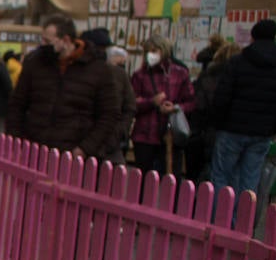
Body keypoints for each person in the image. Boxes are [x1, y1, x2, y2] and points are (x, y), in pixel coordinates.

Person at [6, 14, 118, 161]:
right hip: (35, 152)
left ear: (65, 40)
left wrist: (86, 149)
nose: (42, 44)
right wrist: (18, 140)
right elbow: (16, 105)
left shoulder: (98, 71)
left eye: (47, 41)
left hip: (73, 156)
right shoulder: (35, 64)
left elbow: (109, 115)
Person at [210, 19, 276, 196]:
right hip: (261, 132)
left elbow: (222, 97)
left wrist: (218, 123)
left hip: (231, 129)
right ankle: (243, 220)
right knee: (250, 180)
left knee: (221, 177)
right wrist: (272, 128)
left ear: (252, 37)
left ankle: (222, 219)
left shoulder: (238, 62)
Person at [130, 33, 195, 174]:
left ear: (163, 51)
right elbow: (131, 104)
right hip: (144, 135)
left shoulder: (180, 73)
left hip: (170, 134)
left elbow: (191, 102)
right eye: (147, 51)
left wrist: (176, 108)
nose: (150, 55)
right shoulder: (139, 75)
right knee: (142, 179)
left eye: (154, 51)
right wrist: (151, 102)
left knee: (172, 178)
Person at [192, 42, 242, 185]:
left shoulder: (208, 77)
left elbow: (199, 105)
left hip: (208, 130)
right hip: (230, 129)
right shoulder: (239, 80)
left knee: (212, 171)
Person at [80, 28, 132, 164]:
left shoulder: (118, 74)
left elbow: (129, 107)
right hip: (80, 146)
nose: (101, 52)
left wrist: (120, 132)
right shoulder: (76, 72)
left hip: (110, 147)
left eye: (104, 48)